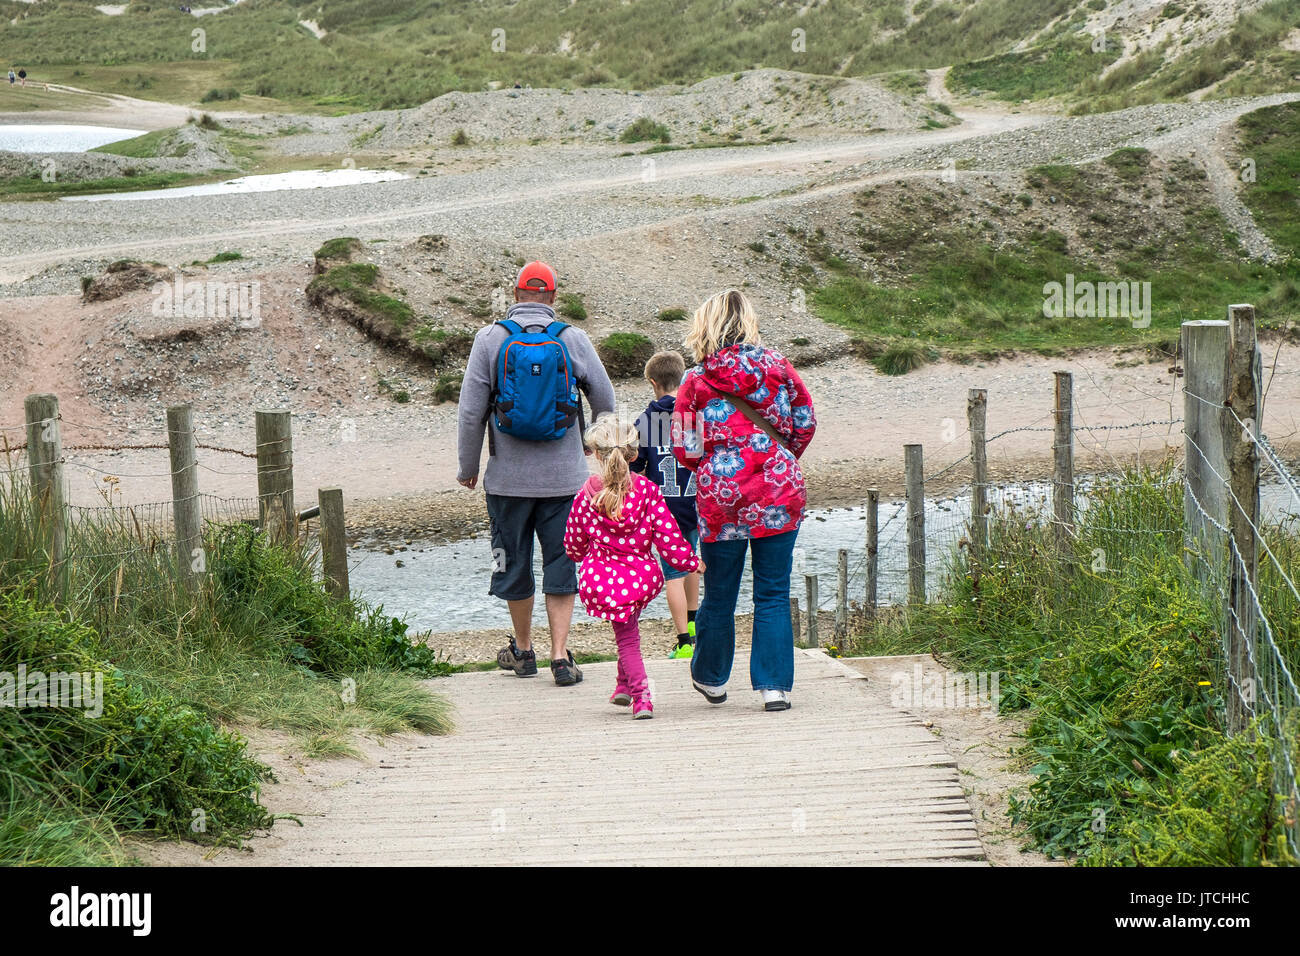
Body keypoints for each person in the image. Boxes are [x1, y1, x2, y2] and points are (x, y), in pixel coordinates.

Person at [457, 260, 616, 686]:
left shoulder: (489, 339)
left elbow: (471, 411)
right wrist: (593, 442)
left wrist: (468, 466)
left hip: (507, 481)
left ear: (515, 293)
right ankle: (560, 657)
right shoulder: (572, 338)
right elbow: (604, 394)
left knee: (512, 561)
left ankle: (523, 651)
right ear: (553, 296)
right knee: (562, 563)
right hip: (566, 481)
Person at [671, 289, 816, 712]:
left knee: (720, 592)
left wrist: (717, 463)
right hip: (779, 488)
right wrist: (777, 458)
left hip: (722, 497)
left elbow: (684, 446)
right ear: (747, 321)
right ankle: (774, 687)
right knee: (772, 591)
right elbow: (805, 422)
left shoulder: (695, 379)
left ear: (706, 326)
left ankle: (712, 679)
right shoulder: (778, 365)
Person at [564, 414, 701, 718]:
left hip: (603, 579)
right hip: (641, 576)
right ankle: (625, 686)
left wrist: (586, 553)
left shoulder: (585, 497)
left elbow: (573, 546)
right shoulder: (649, 492)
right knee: (627, 629)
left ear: (597, 454)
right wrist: (691, 562)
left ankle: (641, 696)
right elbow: (669, 539)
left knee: (626, 636)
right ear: (635, 454)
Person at [632, 350, 700, 660]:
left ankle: (684, 641)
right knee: (693, 563)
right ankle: (695, 622)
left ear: (652, 382)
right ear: (682, 376)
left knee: (672, 574)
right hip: (696, 503)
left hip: (665, 511)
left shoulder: (646, 420)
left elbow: (636, 468)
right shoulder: (694, 415)